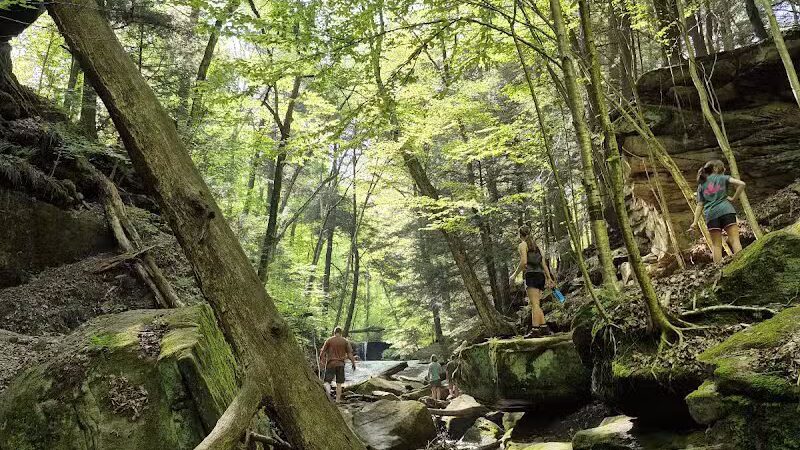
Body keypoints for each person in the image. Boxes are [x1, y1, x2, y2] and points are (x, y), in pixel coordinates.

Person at [689, 160, 746, 264]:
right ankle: (741, 263)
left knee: (716, 245)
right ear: (715, 168)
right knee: (734, 239)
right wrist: (734, 198)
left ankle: (718, 269)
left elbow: (700, 205)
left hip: (711, 215)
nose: (724, 169)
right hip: (726, 210)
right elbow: (741, 184)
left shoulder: (701, 185)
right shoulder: (722, 178)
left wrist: (695, 222)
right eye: (722, 167)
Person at [510, 225, 556, 332]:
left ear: (520, 235)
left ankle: (535, 330)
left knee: (534, 304)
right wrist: (549, 278)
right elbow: (544, 265)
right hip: (540, 276)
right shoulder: (537, 247)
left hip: (531, 275)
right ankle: (543, 327)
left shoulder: (523, 245)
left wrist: (514, 275)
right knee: (537, 304)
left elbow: (524, 262)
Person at [319, 326, 356, 403]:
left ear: (334, 332)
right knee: (339, 383)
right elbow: (349, 354)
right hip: (340, 364)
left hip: (331, 364)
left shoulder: (329, 340)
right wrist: (353, 363)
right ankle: (338, 400)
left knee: (327, 382)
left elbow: (322, 351)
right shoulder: (345, 341)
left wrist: (321, 361)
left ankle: (328, 399)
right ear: (341, 333)